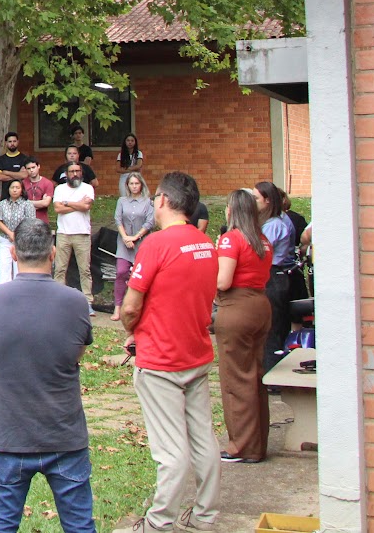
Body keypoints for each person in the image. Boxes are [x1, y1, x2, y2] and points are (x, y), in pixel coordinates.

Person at [0, 219, 96, 533]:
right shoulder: (76, 302)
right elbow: (76, 353)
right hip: (63, 433)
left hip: (7, 435)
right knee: (80, 525)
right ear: (53, 253)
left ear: (13, 253)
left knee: (1, 526)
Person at [121, 171, 220, 533]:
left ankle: (158, 522)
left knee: (170, 451)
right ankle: (205, 516)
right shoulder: (206, 244)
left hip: (161, 360)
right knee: (204, 440)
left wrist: (132, 330)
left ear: (162, 199)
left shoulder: (156, 244)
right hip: (195, 353)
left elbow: (131, 306)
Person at [215, 189, 273, 465]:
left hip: (236, 308)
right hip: (260, 305)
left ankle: (241, 446)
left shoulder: (231, 239)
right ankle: (257, 443)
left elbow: (223, 281)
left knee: (236, 379)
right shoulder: (262, 239)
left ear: (232, 210)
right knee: (255, 376)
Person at [254, 180, 298, 371]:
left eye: (256, 198)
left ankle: (272, 372)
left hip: (273, 276)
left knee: (272, 330)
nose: (253, 202)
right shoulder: (272, 222)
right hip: (273, 276)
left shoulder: (273, 225)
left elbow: (260, 251)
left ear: (267, 201)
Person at [52, 161, 95, 308]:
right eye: (72, 171)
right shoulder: (59, 189)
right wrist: (78, 204)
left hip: (82, 234)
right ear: (66, 174)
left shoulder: (88, 188)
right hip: (63, 234)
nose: (75, 174)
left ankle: (88, 301)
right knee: (60, 269)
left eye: (78, 171)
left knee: (85, 270)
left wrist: (67, 203)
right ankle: (58, 301)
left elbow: (86, 206)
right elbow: (57, 209)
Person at [112, 173, 154, 321]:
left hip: (141, 242)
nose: (134, 186)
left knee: (139, 274)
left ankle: (139, 307)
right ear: (127, 185)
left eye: (137, 183)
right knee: (121, 272)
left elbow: (150, 222)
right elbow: (118, 219)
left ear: (141, 185)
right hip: (124, 242)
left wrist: (135, 237)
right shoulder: (122, 201)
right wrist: (125, 237)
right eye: (131, 184)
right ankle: (117, 307)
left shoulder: (148, 202)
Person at [0, 179, 35, 285]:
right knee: (4, 268)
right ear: (8, 189)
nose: (15, 190)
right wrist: (10, 233)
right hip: (5, 239)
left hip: (22, 241)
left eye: (17, 188)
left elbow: (30, 222)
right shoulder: (3, 204)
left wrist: (17, 234)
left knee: (19, 269)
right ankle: (3, 291)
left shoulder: (27, 204)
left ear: (22, 189)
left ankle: (19, 290)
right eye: (12, 187)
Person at [0, 132, 32, 198]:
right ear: (6, 143)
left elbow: (25, 175)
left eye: (14, 141)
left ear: (18, 142)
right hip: (5, 195)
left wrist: (6, 172)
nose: (12, 144)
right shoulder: (0, 159)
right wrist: (18, 175)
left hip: (21, 195)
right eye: (10, 141)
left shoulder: (24, 158)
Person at [20, 159, 55, 227]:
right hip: (26, 222)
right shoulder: (22, 183)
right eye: (28, 168)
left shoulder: (47, 183)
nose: (31, 170)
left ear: (38, 166)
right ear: (25, 169)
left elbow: (46, 203)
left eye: (33, 167)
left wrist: (27, 203)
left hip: (42, 222)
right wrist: (40, 203)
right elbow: (20, 204)